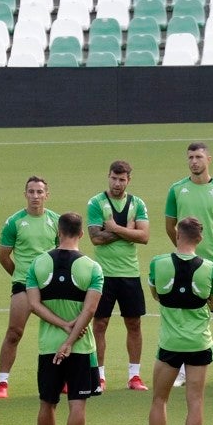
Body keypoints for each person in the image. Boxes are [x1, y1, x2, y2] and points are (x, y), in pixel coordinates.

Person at [164, 142, 213, 387]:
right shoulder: (177, 189)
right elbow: (170, 226)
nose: (194, 161)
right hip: (186, 263)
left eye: (198, 157)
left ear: (209, 159)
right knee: (186, 318)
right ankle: (182, 371)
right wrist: (184, 248)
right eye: (190, 157)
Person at [27, 212, 103, 425]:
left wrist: (62, 325)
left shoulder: (37, 263)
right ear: (81, 233)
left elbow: (33, 304)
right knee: (77, 403)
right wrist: (70, 340)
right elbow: (90, 310)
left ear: (58, 232)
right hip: (81, 347)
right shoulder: (93, 267)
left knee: (47, 402)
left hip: (49, 346)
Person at [147, 217, 213, 425]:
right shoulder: (210, 268)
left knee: (159, 399)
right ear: (200, 238)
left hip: (170, 343)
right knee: (195, 401)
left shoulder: (157, 263)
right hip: (199, 343)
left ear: (178, 234)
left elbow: (156, 295)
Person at [87, 160, 151, 392]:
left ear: (128, 180)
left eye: (122, 179)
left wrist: (114, 228)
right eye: (114, 178)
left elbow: (144, 237)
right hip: (103, 274)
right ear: (108, 176)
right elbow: (96, 238)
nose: (117, 183)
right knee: (100, 323)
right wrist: (128, 230)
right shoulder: (96, 202)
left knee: (134, 323)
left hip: (129, 273)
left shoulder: (137, 203)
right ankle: (99, 376)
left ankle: (134, 376)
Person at [0, 177, 60, 399]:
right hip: (23, 283)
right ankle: (2, 382)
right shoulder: (14, 222)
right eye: (31, 192)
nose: (35, 196)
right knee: (14, 332)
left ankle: (61, 379)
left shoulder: (56, 221)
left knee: (59, 332)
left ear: (46, 195)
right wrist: (20, 275)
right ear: (25, 194)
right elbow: (3, 256)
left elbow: (62, 252)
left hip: (50, 284)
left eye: (39, 192)